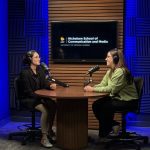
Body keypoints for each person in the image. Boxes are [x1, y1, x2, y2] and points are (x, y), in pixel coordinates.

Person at [84, 48, 139, 140]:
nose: (105, 59)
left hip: (128, 100)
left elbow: (110, 89)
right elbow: (103, 84)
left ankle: (104, 134)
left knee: (105, 107)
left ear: (116, 59)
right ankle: (113, 126)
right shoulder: (110, 71)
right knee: (96, 105)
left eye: (108, 57)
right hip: (117, 98)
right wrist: (92, 88)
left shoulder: (121, 72)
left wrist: (92, 89)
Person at [20, 50, 57, 148]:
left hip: (39, 97)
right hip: (28, 99)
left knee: (53, 105)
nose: (39, 59)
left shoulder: (40, 70)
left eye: (39, 57)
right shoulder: (24, 73)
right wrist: (42, 97)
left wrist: (50, 86)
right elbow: (28, 92)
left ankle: (49, 131)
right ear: (30, 59)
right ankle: (44, 138)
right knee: (45, 110)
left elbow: (44, 83)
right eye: (36, 57)